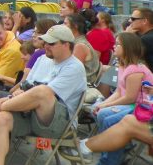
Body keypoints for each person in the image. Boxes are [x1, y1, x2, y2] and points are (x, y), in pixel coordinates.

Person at [0, 25, 87, 165]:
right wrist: (20, 92)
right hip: (31, 112)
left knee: (43, 91)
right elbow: (27, 86)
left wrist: (14, 97)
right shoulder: (42, 59)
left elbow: (47, 95)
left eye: (51, 43)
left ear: (66, 45)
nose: (46, 46)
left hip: (59, 122)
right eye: (45, 42)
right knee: (2, 118)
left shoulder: (74, 67)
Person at [61, 32, 153, 164]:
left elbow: (130, 98)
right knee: (100, 111)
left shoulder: (135, 70)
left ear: (128, 48)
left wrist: (105, 106)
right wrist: (104, 104)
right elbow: (118, 92)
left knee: (108, 118)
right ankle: (117, 147)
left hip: (141, 106)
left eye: (118, 44)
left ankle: (108, 158)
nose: (114, 47)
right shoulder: (123, 66)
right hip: (135, 105)